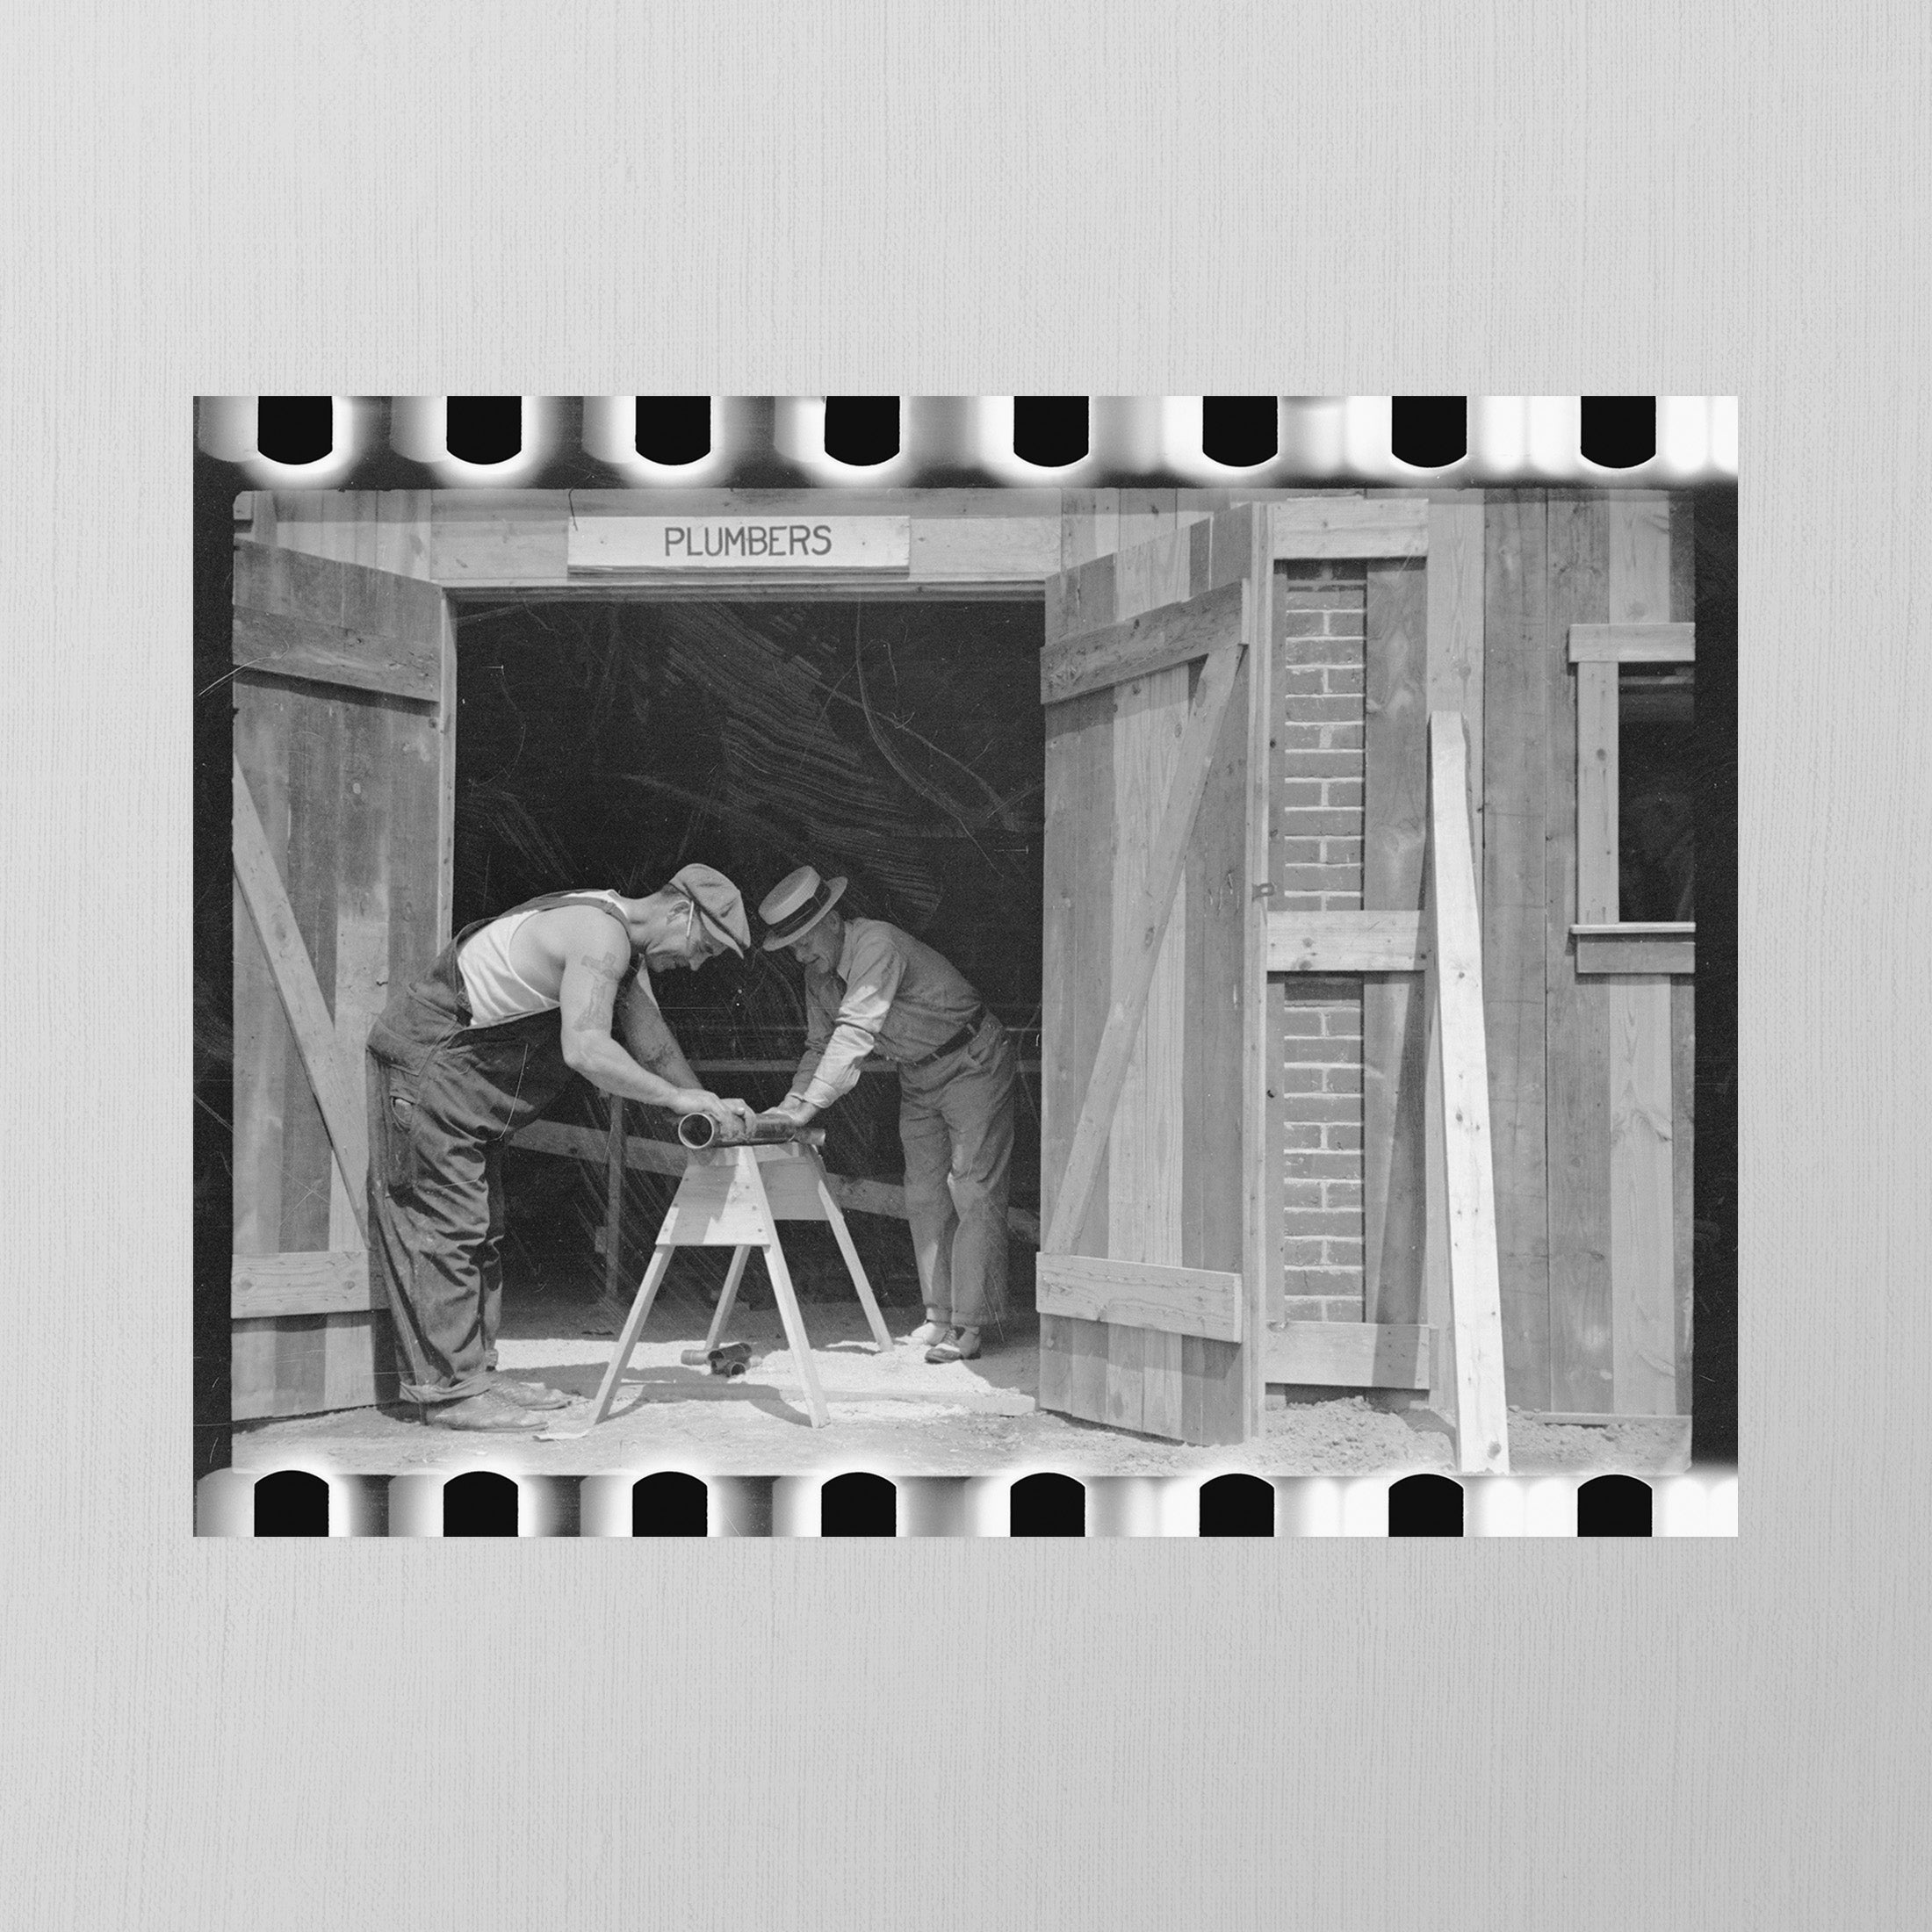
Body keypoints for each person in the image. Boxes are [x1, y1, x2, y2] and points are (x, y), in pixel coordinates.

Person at [365, 865, 755, 1431]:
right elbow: (588, 1050)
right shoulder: (599, 935)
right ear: (680, 911)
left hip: (460, 1082)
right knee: (447, 1228)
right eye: (704, 946)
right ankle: (450, 1394)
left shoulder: (620, 939)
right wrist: (675, 1100)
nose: (696, 963)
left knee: (481, 1229)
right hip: (431, 1068)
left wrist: (708, 1107)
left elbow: (654, 1049)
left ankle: (477, 1377)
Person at [756, 865, 1015, 1364]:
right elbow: (819, 1045)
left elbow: (855, 1032)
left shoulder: (876, 943)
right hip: (917, 1074)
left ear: (832, 922)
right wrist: (790, 1107)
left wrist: (808, 1108)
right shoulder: (819, 974)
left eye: (804, 941)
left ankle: (972, 1326)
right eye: (791, 946)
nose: (800, 954)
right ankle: (939, 1315)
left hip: (972, 1062)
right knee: (923, 1192)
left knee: (972, 1187)